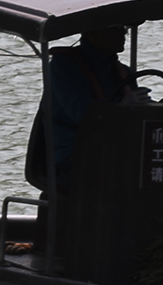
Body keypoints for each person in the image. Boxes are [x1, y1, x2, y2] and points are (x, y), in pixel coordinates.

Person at [30, 27, 141, 191]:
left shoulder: (123, 72)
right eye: (116, 27)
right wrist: (122, 108)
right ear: (92, 31)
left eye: (124, 27)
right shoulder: (63, 67)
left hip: (116, 154)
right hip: (72, 160)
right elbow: (84, 115)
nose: (124, 32)